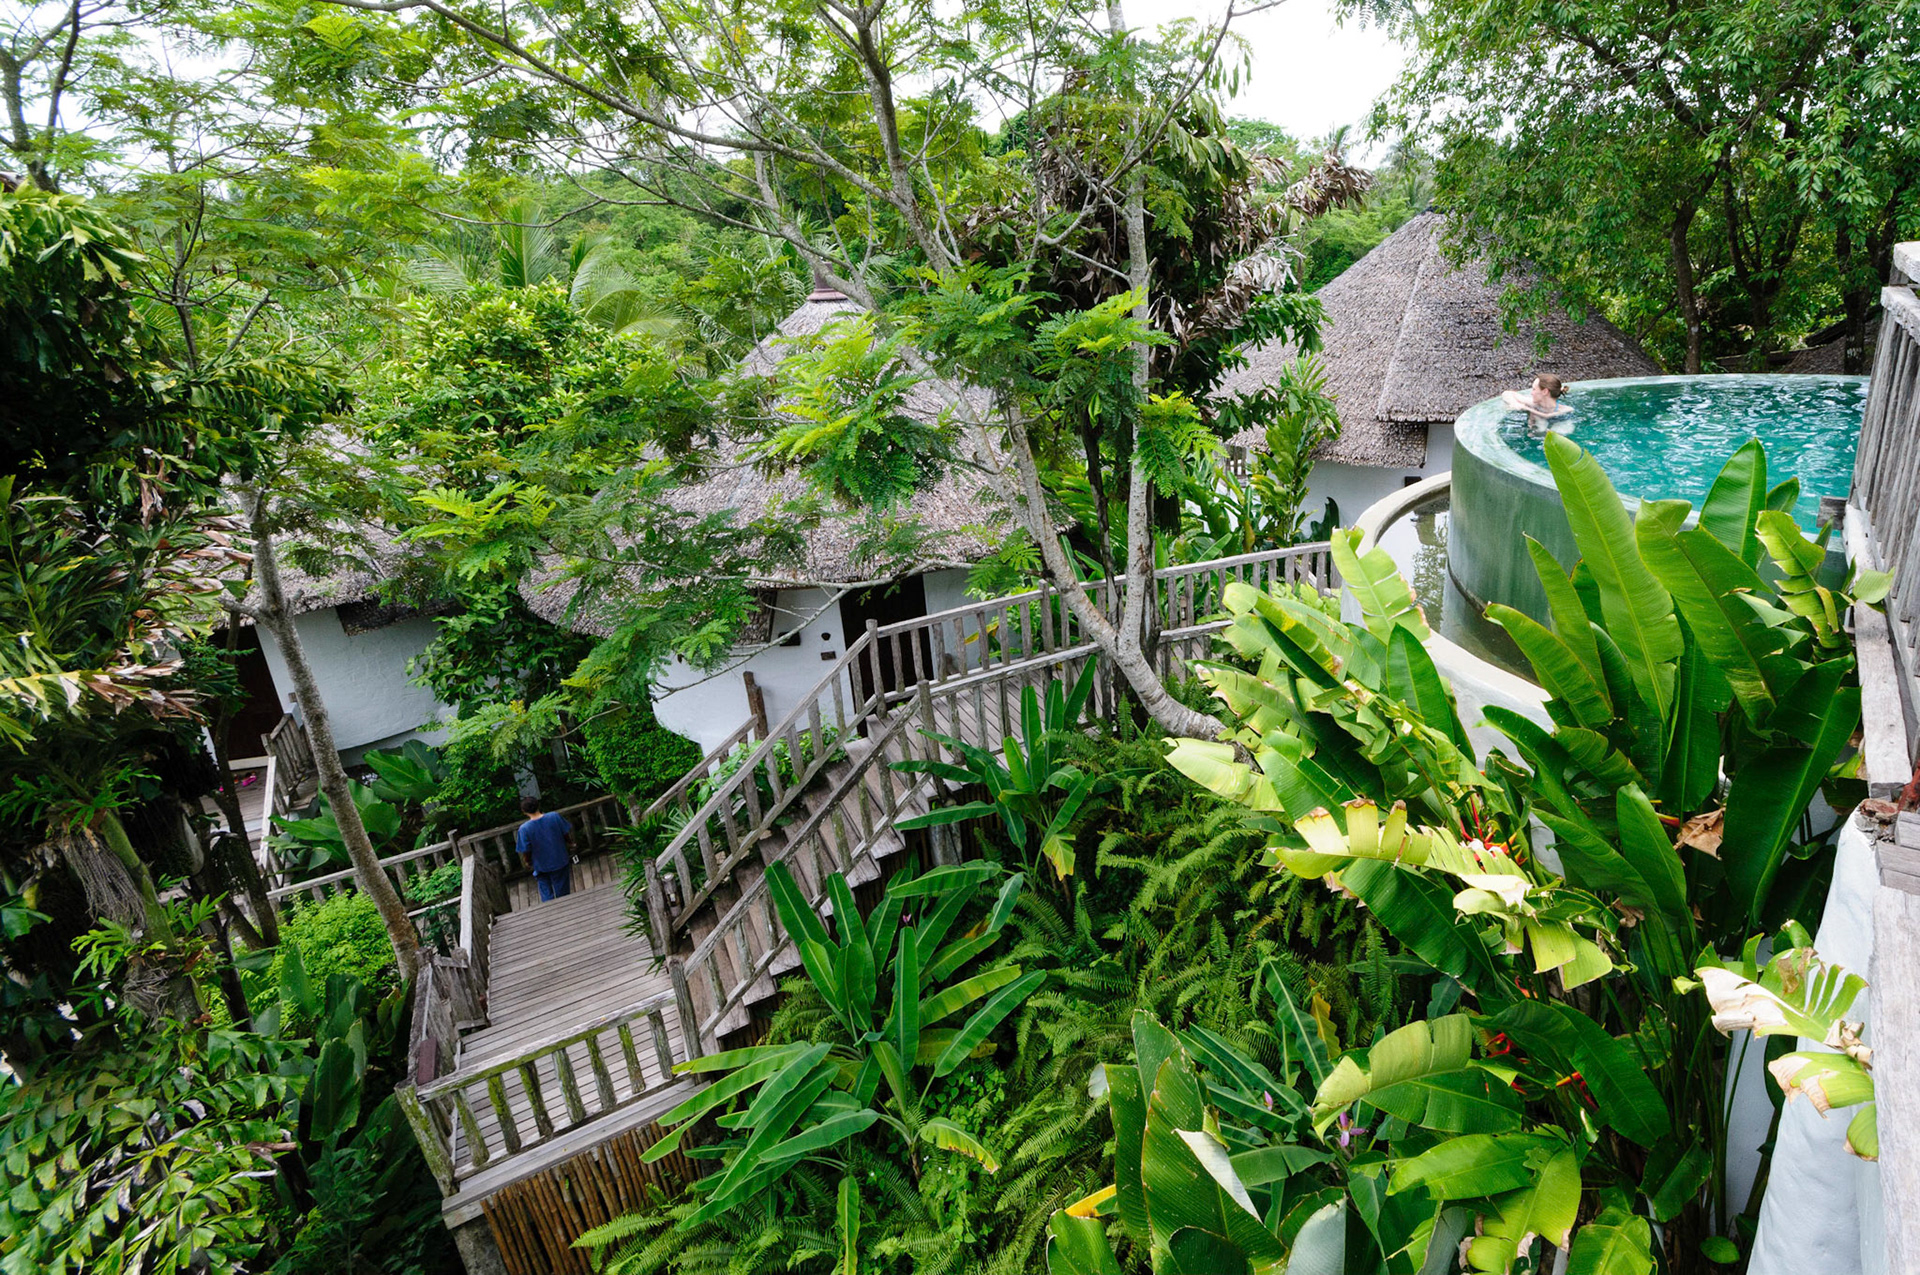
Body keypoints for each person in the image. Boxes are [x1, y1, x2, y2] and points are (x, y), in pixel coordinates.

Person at [516, 796, 576, 900]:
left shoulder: (524, 829)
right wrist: (571, 844)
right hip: (559, 860)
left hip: (540, 865)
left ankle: (550, 912)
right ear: (538, 805)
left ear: (524, 811)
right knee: (562, 891)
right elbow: (565, 834)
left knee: (545, 892)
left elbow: (526, 850)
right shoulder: (554, 817)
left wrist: (528, 862)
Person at [1501, 374, 1575, 431]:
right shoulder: (1533, 403)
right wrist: (1515, 404)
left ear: (1545, 391)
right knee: (1540, 422)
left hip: (1559, 426)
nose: (1531, 393)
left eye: (1534, 389)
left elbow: (1547, 416)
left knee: (1542, 423)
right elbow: (1506, 393)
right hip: (1536, 434)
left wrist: (1526, 408)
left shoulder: (1566, 410)